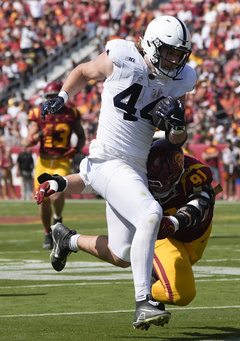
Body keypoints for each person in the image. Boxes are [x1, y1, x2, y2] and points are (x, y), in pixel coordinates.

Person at [38, 15, 196, 329]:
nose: (175, 60)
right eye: (169, 52)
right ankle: (143, 302)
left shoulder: (181, 79)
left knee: (123, 254)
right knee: (150, 212)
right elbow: (84, 71)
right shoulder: (123, 57)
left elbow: (177, 141)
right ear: (151, 46)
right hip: (109, 159)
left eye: (180, 54)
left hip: (135, 167)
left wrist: (177, 125)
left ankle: (67, 238)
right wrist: (63, 96)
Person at [35, 139, 221, 327]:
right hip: (162, 236)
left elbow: (202, 203)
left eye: (164, 184)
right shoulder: (134, 167)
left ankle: (69, 240)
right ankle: (148, 292)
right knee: (180, 293)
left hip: (191, 233)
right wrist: (60, 183)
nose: (160, 189)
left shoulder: (194, 171)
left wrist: (174, 221)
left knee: (121, 257)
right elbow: (92, 179)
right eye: (154, 184)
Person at [26, 81, 86, 249]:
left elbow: (81, 136)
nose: (52, 100)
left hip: (61, 161)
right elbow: (27, 142)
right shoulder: (38, 113)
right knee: (42, 199)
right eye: (49, 97)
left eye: (55, 96)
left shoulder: (72, 113)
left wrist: (76, 149)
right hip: (43, 162)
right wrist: (38, 135)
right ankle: (47, 233)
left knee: (57, 194)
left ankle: (57, 218)